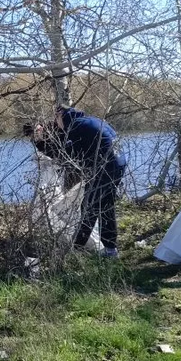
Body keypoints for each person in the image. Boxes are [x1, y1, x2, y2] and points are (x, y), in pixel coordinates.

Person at [41, 106, 127, 257]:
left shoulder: (75, 126)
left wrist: (40, 142)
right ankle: (110, 248)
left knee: (89, 206)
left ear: (61, 116)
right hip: (118, 163)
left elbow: (63, 155)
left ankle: (77, 248)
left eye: (56, 119)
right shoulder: (89, 121)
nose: (56, 123)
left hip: (104, 166)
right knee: (105, 205)